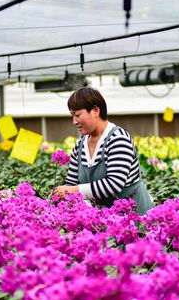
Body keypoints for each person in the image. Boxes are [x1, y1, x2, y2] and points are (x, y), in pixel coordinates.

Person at [53, 86, 153, 215]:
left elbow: (113, 184)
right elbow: (72, 182)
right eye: (72, 116)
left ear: (95, 110)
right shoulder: (80, 145)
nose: (74, 121)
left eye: (77, 115)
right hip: (106, 218)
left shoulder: (118, 139)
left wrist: (73, 190)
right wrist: (60, 195)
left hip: (135, 218)